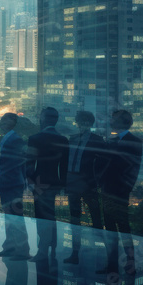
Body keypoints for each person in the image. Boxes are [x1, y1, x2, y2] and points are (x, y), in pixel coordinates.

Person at [97, 109, 142, 275]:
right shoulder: (112, 140)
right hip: (107, 190)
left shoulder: (134, 141)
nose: (110, 120)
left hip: (120, 191)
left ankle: (130, 263)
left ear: (123, 121)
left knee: (123, 227)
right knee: (110, 228)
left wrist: (125, 189)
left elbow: (133, 169)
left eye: (113, 118)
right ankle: (112, 265)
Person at [26, 107, 69, 262]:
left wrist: (30, 181)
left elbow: (30, 164)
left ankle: (42, 251)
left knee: (41, 216)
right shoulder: (63, 140)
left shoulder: (35, 138)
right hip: (55, 183)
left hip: (39, 183)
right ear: (55, 120)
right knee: (51, 215)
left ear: (42, 119)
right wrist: (63, 185)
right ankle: (53, 248)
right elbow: (64, 166)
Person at [64, 110, 105, 264]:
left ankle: (101, 255)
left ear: (91, 123)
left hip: (89, 184)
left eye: (86, 121)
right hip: (73, 183)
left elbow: (103, 164)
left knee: (96, 217)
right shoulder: (72, 139)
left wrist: (97, 181)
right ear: (78, 122)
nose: (83, 124)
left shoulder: (98, 140)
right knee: (74, 218)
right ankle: (75, 253)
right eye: (81, 121)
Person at [0, 113, 30, 260]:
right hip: (9, 183)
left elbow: (16, 164)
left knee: (15, 216)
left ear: (12, 122)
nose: (1, 122)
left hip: (12, 183)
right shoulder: (9, 137)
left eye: (4, 120)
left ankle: (22, 250)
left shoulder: (15, 139)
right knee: (9, 217)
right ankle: (10, 247)